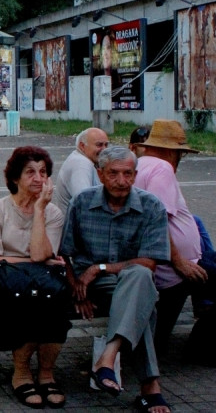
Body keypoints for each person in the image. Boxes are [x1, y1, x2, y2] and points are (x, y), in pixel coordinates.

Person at [134, 119, 216, 367]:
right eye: (180, 153)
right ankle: (207, 345)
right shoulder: (162, 168)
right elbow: (157, 221)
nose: (180, 159)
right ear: (171, 151)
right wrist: (179, 262)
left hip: (173, 261)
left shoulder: (141, 165)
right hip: (175, 267)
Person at [60, 146, 172, 413]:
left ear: (135, 175)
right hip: (93, 286)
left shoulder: (151, 206)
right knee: (143, 301)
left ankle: (108, 357)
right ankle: (149, 387)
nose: (121, 181)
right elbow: (64, 253)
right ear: (100, 174)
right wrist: (77, 289)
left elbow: (150, 262)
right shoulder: (82, 202)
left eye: (127, 174)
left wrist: (100, 267)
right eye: (113, 173)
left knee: (140, 277)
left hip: (129, 280)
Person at [0, 146, 69, 408]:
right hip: (0, 282)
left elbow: (40, 254)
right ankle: (21, 373)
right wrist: (33, 261)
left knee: (53, 301)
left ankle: (46, 373)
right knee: (24, 301)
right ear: (15, 178)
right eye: (30, 172)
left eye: (43, 172)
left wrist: (40, 210)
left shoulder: (53, 213)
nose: (38, 178)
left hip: (42, 282)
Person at [52, 127, 109, 213]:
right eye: (99, 145)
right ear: (82, 146)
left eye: (106, 145)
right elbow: (85, 202)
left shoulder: (87, 160)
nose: (104, 150)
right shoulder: (80, 164)